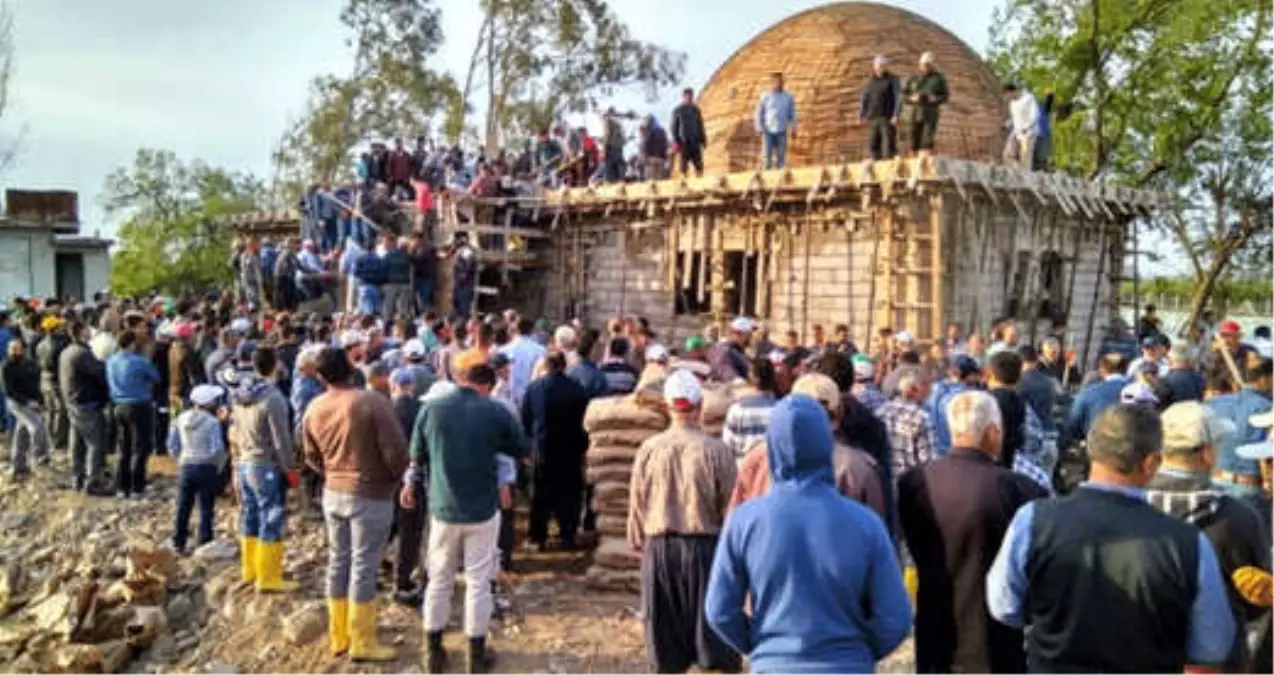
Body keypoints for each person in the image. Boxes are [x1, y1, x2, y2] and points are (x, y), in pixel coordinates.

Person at [987, 404, 1237, 671]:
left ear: (1091, 450)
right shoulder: (1189, 544)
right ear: (1151, 463)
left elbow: (1004, 606)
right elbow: (1211, 646)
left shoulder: (1033, 520)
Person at [706, 395, 911, 672]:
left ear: (772, 447)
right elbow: (896, 617)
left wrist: (762, 647)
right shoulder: (865, 524)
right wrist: (857, 652)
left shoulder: (745, 522)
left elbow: (719, 610)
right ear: (826, 444)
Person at [899, 390, 1048, 674]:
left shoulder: (913, 482)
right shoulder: (1021, 490)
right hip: (995, 641)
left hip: (933, 631)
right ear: (993, 432)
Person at [410, 356, 526, 674]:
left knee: (439, 579)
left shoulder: (431, 409)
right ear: (487, 385)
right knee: (478, 582)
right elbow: (521, 448)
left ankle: (433, 652)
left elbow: (416, 456)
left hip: (443, 508)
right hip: (482, 510)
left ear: (461, 378)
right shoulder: (495, 410)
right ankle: (476, 657)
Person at [628, 369, 740, 675]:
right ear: (700, 405)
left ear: (666, 407)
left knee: (664, 649)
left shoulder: (649, 450)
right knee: (713, 645)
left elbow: (638, 504)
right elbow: (731, 510)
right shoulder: (717, 451)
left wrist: (640, 544)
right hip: (705, 552)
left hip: (660, 551)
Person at [303, 347, 409, 662]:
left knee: (339, 561)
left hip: (333, 492)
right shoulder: (372, 402)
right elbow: (396, 452)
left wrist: (332, 474)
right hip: (371, 494)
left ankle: (340, 636)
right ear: (350, 367)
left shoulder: (315, 406)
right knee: (364, 565)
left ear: (320, 377)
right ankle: (362, 640)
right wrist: (394, 480)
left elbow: (309, 455)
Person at [1150, 401, 1269, 672]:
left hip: (1144, 651)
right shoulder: (1237, 518)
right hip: (1216, 661)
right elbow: (1256, 601)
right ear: (1206, 454)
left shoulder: (1134, 506)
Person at [730, 373, 888, 521]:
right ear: (839, 412)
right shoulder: (858, 468)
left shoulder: (757, 459)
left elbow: (734, 522)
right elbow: (877, 534)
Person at [521, 349, 590, 550]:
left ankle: (537, 536)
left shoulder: (535, 388)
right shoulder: (576, 389)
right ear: (564, 365)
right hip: (570, 448)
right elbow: (584, 420)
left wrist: (532, 440)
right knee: (569, 494)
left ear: (546, 365)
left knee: (540, 494)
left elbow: (526, 419)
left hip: (543, 448)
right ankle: (567, 534)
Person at [1207, 359, 1274, 531]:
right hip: (1249, 487)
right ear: (1267, 379)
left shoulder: (1215, 403)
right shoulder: (1268, 408)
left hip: (1215, 482)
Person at [166, 384, 227, 554]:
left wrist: (180, 458)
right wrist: (219, 465)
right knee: (206, 506)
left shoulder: (181, 418)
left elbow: (172, 445)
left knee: (183, 505)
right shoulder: (212, 422)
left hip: (186, 466)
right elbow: (217, 449)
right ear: (208, 403)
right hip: (207, 467)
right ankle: (204, 541)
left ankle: (178, 541)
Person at [106, 330, 160, 498]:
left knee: (124, 447)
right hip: (139, 405)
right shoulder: (139, 361)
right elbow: (156, 377)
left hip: (118, 406)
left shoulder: (111, 361)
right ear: (132, 344)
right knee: (140, 447)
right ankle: (137, 487)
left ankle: (122, 487)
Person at [59, 320, 110, 493]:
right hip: (86, 402)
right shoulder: (82, 353)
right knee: (95, 443)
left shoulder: (66, 351)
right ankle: (93, 481)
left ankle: (77, 478)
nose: (90, 332)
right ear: (81, 332)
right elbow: (99, 371)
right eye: (87, 329)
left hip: (72, 402)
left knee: (77, 443)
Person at [1059, 352, 1128, 450]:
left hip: (1098, 449)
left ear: (1102, 370)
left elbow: (1072, 424)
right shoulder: (1143, 392)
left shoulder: (1088, 393)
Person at [2, 339, 47, 479]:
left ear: (23, 349)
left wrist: (40, 401)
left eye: (18, 348)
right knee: (36, 426)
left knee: (21, 432)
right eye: (12, 349)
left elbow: (35, 384)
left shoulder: (29, 363)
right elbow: (9, 391)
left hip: (31, 401)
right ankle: (37, 457)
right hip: (16, 403)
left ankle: (18, 463)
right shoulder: (6, 366)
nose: (15, 351)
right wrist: (28, 402)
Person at [878, 370, 936, 477]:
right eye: (927, 389)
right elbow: (929, 461)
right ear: (913, 390)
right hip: (912, 485)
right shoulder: (922, 418)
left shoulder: (881, 412)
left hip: (885, 481)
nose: (930, 394)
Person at [721, 357, 780, 461]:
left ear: (750, 379)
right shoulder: (782, 410)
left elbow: (728, 448)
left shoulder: (737, 410)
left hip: (744, 470)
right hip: (774, 473)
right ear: (774, 378)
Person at [926, 354, 981, 456]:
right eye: (975, 374)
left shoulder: (934, 389)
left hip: (935, 452)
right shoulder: (970, 395)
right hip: (959, 453)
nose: (978, 378)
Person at [903, 52, 950, 159]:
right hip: (914, 114)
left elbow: (945, 96)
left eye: (928, 65)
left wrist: (934, 99)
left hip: (930, 114)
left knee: (927, 140)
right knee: (912, 140)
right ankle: (913, 162)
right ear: (919, 65)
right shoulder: (913, 79)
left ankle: (925, 164)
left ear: (932, 65)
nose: (925, 67)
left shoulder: (938, 79)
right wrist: (912, 98)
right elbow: (904, 95)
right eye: (923, 65)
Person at [859, 55, 902, 160]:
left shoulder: (893, 79)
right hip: (873, 116)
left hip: (887, 117)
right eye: (878, 65)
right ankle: (875, 164)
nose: (880, 68)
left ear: (886, 66)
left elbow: (898, 97)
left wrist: (896, 114)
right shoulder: (871, 81)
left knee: (888, 143)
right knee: (873, 143)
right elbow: (865, 97)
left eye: (882, 65)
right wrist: (862, 114)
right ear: (874, 66)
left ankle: (889, 166)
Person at [498, 317, 546, 408]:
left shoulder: (503, 350)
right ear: (532, 330)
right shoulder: (540, 351)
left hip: (508, 399)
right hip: (531, 398)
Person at [755, 72, 797, 170]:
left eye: (782, 81)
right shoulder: (765, 96)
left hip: (782, 130)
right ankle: (766, 179)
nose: (781, 83)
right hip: (767, 130)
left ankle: (780, 178)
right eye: (778, 81)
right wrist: (759, 127)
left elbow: (792, 114)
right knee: (767, 156)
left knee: (781, 156)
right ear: (773, 82)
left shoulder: (788, 97)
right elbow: (759, 113)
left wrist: (794, 128)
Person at [669, 87, 707, 177]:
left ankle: (699, 180)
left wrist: (703, 140)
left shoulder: (696, 110)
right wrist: (676, 141)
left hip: (695, 140)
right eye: (687, 96)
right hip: (683, 141)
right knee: (683, 165)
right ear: (683, 96)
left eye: (691, 96)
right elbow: (674, 127)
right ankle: (684, 182)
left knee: (698, 164)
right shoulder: (678, 110)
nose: (689, 98)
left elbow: (700, 125)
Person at [1002, 83, 1040, 170]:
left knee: (1025, 157)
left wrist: (1027, 127)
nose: (1008, 98)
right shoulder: (1012, 103)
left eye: (1008, 95)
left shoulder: (1028, 98)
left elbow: (1035, 115)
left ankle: (1025, 178)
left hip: (1028, 134)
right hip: (1016, 132)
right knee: (1007, 155)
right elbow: (1014, 117)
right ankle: (1017, 171)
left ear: (1014, 91)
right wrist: (1006, 125)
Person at [1157, 343, 1206, 408]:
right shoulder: (1199, 378)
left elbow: (1159, 403)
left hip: (1175, 416)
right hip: (1197, 415)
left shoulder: (1166, 381)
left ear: (1171, 359)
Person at [709, 317, 754, 383]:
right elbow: (726, 371)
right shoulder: (724, 349)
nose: (751, 337)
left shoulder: (738, 350)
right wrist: (739, 382)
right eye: (749, 334)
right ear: (745, 334)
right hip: (731, 390)